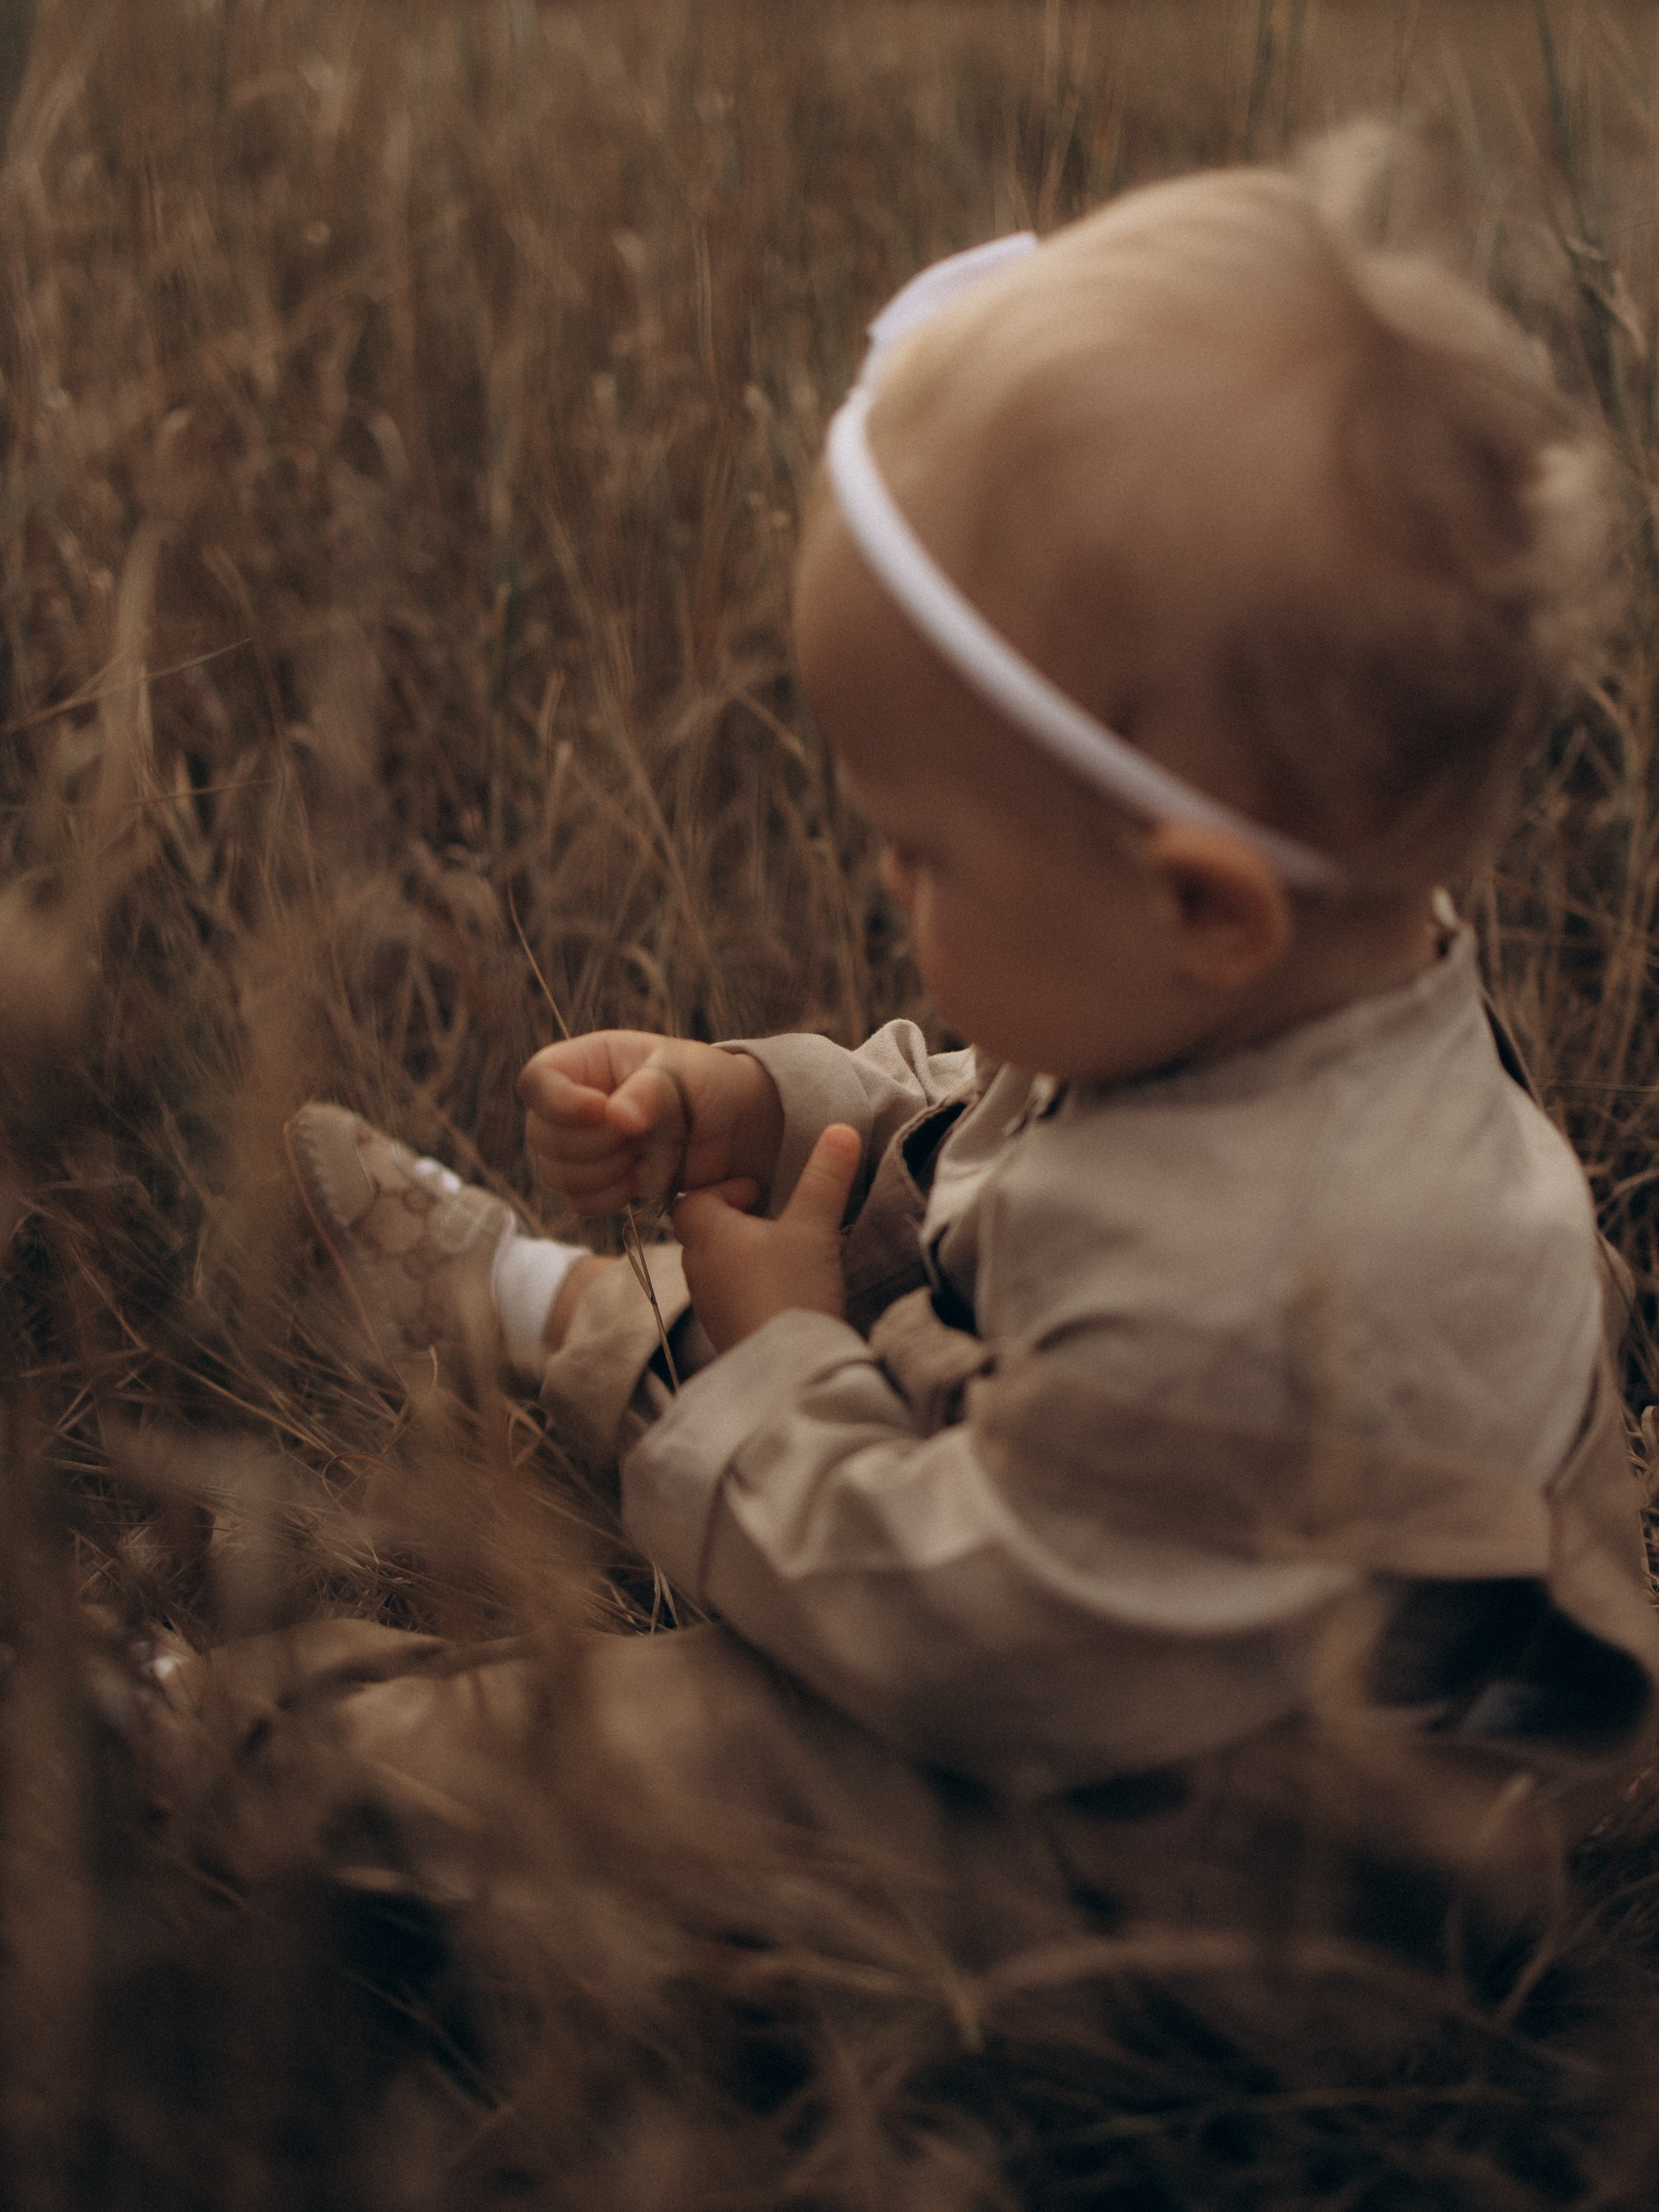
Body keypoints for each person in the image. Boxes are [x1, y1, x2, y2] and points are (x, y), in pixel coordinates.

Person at [274, 153, 1658, 1963]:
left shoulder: (1261, 1279)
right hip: (1102, 1565)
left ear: (1204, 905)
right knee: (820, 1299)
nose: (887, 878)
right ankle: (529, 1301)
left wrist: (784, 1354)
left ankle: (217, 1735)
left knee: (595, 1769)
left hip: (1192, 1846)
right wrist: (770, 1105)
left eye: (924, 849)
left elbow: (950, 1638)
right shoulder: (1293, 998)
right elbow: (988, 1121)